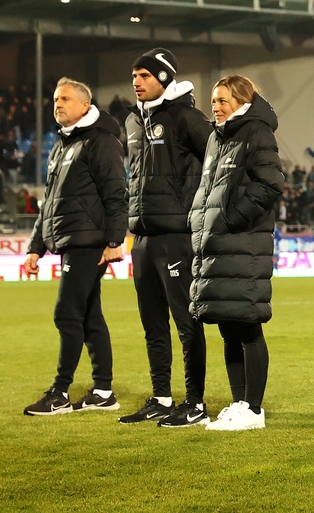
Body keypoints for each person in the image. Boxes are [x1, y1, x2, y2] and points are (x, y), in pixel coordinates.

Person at [120, 48, 213, 427]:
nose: (136, 82)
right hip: (142, 237)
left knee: (186, 322)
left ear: (164, 77)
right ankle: (161, 397)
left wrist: (197, 210)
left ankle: (195, 402)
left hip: (177, 235)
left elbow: (218, 161)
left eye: (144, 75)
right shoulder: (131, 121)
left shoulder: (187, 117)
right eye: (134, 76)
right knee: (152, 323)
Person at [23, 78, 127, 415]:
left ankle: (61, 392)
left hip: (90, 242)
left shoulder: (101, 141)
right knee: (89, 315)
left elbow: (116, 193)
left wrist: (114, 240)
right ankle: (103, 392)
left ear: (85, 105)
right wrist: (35, 247)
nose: (58, 103)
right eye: (55, 98)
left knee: (66, 313)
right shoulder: (62, 145)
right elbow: (50, 202)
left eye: (65, 98)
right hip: (73, 241)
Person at [188, 75, 285, 431]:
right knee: (228, 327)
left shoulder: (256, 133)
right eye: (213, 101)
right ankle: (238, 404)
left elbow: (270, 184)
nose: (215, 106)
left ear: (243, 100)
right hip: (218, 247)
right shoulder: (217, 138)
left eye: (222, 100)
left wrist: (230, 219)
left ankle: (254, 409)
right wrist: (199, 221)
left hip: (243, 245)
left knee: (247, 326)